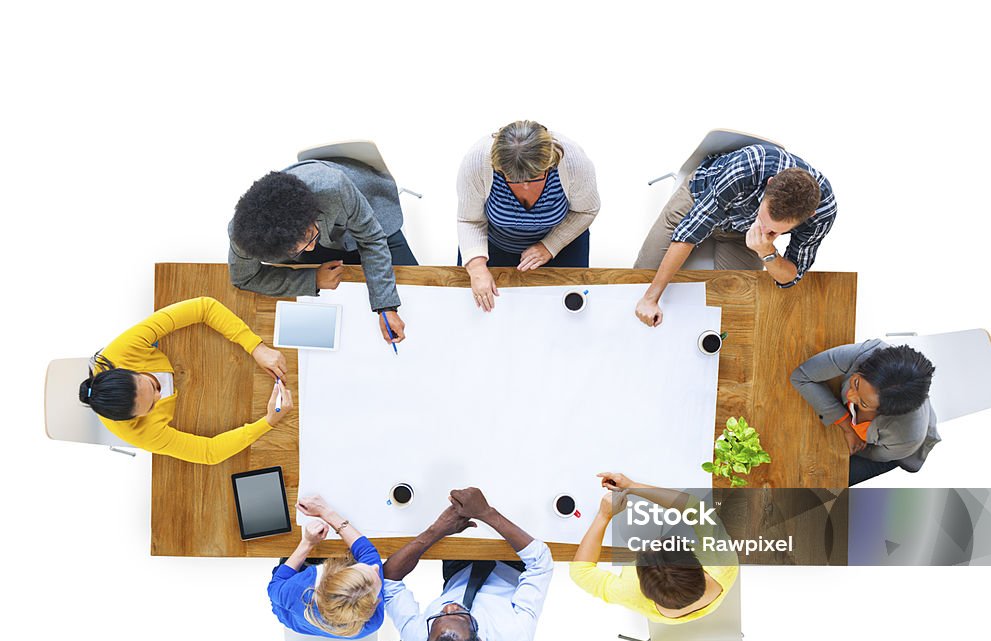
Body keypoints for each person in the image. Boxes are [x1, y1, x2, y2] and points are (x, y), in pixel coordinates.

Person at [633, 143, 837, 327]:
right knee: (641, 281)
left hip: (741, 232)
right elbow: (690, 232)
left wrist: (767, 252)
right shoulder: (746, 167)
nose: (766, 231)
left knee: (739, 306)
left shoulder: (823, 213)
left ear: (809, 215)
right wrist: (650, 299)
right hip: (700, 199)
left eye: (774, 231)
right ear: (770, 183)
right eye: (764, 221)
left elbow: (790, 277)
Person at [78, 296, 293, 465]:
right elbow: (210, 453)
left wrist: (257, 347)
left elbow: (204, 307)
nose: (159, 394)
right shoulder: (138, 433)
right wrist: (268, 422)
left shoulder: (123, 350)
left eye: (150, 384)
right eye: (152, 405)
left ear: (128, 370)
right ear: (134, 418)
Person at [228, 158, 417, 344]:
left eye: (308, 235)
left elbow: (372, 239)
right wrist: (312, 280)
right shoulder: (244, 234)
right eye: (295, 248)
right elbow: (244, 278)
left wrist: (386, 306)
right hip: (323, 234)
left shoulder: (333, 186)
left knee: (416, 289)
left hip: (371, 215)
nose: (309, 247)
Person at [382, 487, 553, 641]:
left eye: (438, 617)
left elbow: (389, 580)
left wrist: (437, 530)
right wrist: (486, 513)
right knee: (527, 499)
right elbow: (540, 562)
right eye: (461, 617)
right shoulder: (514, 640)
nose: (449, 607)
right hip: (513, 561)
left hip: (459, 568)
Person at [457, 121, 600, 311]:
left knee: (562, 314)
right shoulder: (477, 161)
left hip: (562, 244)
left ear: (549, 164)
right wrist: (476, 268)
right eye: (514, 180)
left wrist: (550, 245)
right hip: (494, 244)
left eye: (534, 179)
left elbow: (586, 210)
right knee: (483, 312)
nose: (524, 187)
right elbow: (470, 220)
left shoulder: (573, 161)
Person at [570, 472, 737, 623]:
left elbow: (580, 572)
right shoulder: (723, 560)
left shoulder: (630, 592)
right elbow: (696, 508)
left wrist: (603, 515)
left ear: (640, 583)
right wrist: (632, 486)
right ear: (696, 562)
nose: (657, 538)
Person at [790, 340, 939, 485]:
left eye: (863, 403)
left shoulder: (906, 437)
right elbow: (801, 377)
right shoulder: (867, 354)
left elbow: (873, 454)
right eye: (855, 382)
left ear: (883, 412)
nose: (850, 395)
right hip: (865, 431)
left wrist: (846, 446)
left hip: (888, 453)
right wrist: (847, 427)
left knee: (824, 483)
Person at [267, 495, 384, 639]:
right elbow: (368, 553)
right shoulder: (373, 622)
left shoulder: (297, 588)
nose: (376, 568)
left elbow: (275, 584)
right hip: (309, 618)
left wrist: (307, 543)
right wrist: (326, 513)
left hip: (290, 613)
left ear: (333, 574)